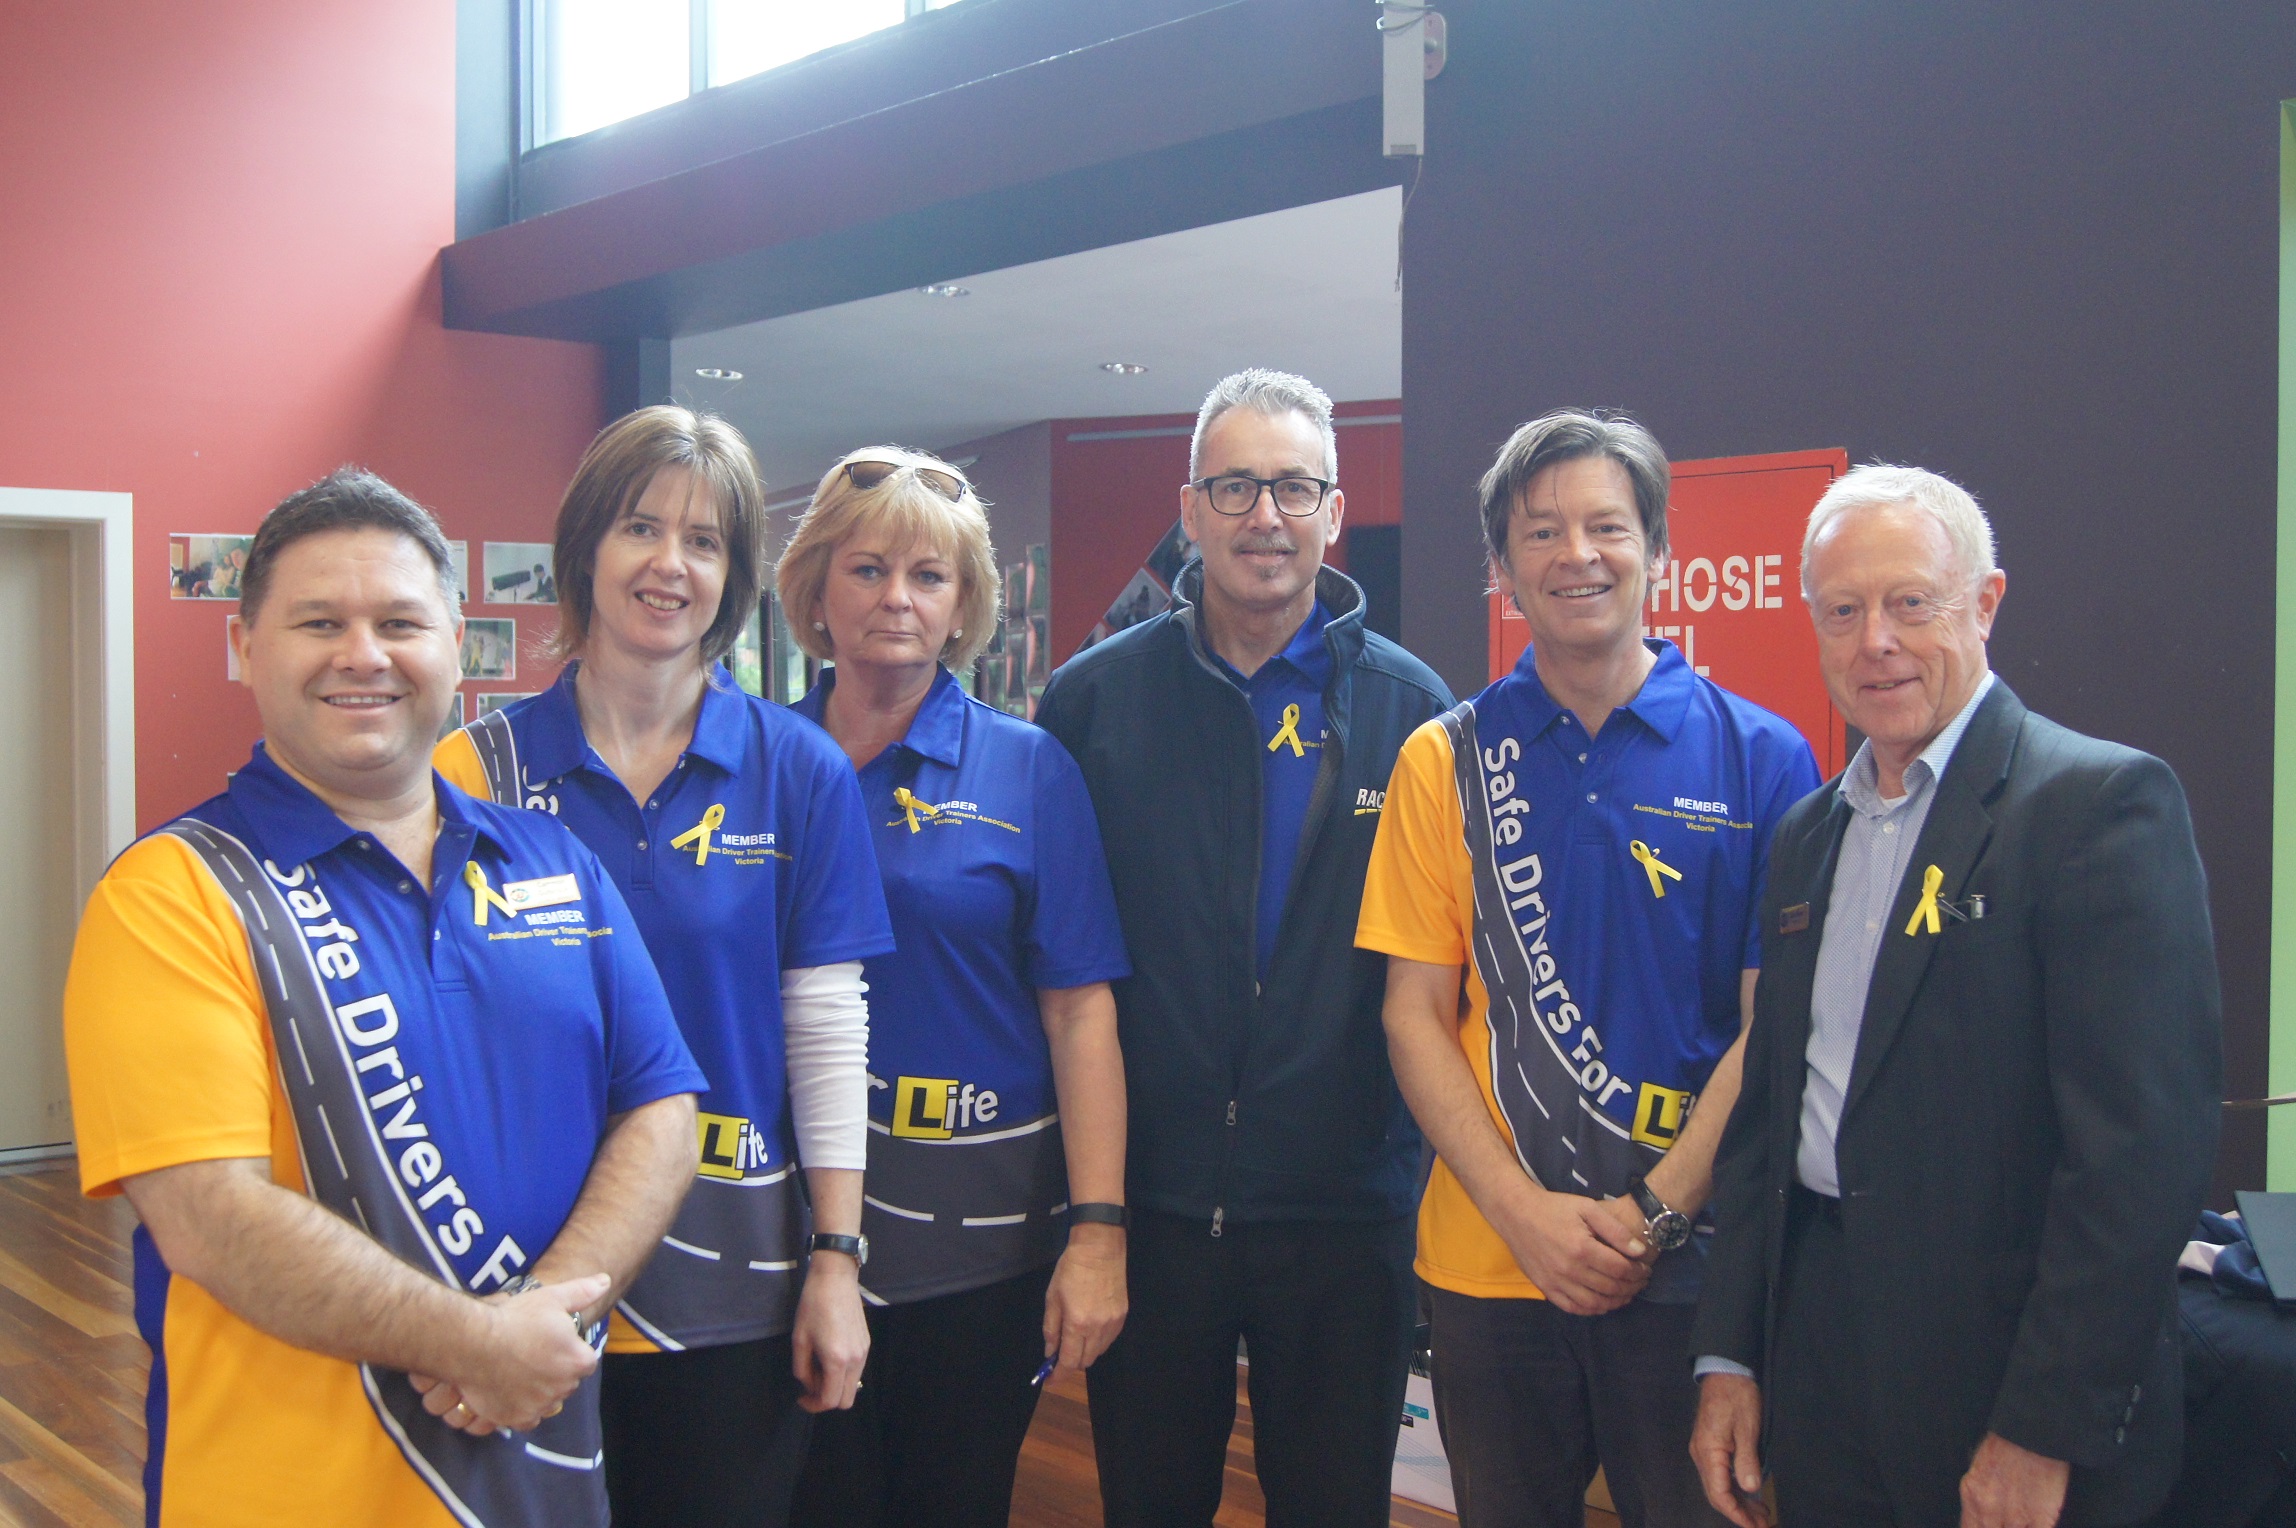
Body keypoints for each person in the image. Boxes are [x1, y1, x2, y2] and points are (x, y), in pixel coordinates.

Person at [62, 468, 707, 1527]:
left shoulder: (555, 860)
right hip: (283, 1496)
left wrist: (542, 1320)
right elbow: (211, 1217)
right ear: (244, 646)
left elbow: (662, 1109)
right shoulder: (170, 893)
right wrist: (476, 1344)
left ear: (456, 644)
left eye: (400, 622)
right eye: (320, 622)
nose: (363, 654)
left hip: (539, 1474)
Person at [1690, 465, 2222, 1528]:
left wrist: (2043, 1426)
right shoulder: (1805, 837)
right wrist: (1730, 1354)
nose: (1875, 641)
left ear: (1984, 604)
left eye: (1910, 603)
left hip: (2007, 1383)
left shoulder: (2096, 807)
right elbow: (1767, 1122)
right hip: (1821, 1363)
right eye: (1842, 611)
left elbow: (2138, 1158)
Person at [1356, 411, 1818, 1528]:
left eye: (1607, 526)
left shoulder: (1766, 756)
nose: (1578, 554)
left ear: (1656, 547)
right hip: (1488, 1264)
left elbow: (1774, 1026)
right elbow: (1413, 1015)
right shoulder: (1442, 759)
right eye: (1541, 531)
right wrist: (1523, 1215)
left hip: (1694, 1274)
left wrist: (1655, 1216)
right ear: (1502, 566)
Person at [434, 408, 895, 1527]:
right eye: (641, 526)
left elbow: (826, 1032)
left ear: (732, 577)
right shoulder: (471, 770)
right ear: (586, 543)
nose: (669, 564)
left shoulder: (799, 769)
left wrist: (836, 1259)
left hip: (732, 1284)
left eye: (704, 541)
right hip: (514, 1272)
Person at [1036, 368, 1455, 1526]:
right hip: (1154, 1208)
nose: (1264, 515)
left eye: (1292, 486)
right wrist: (1086, 1211)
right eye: (1233, 487)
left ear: (1334, 508)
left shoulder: (1414, 713)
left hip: (1345, 1216)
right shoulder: (1091, 704)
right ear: (1189, 509)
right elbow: (1057, 974)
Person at [775, 448, 1133, 1527]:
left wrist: (1098, 1230)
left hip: (976, 1243)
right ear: (815, 589)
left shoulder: (1028, 767)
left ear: (964, 604)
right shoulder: (753, 759)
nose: (898, 598)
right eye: (868, 568)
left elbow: (1080, 1011)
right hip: (780, 1227)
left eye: (928, 576)